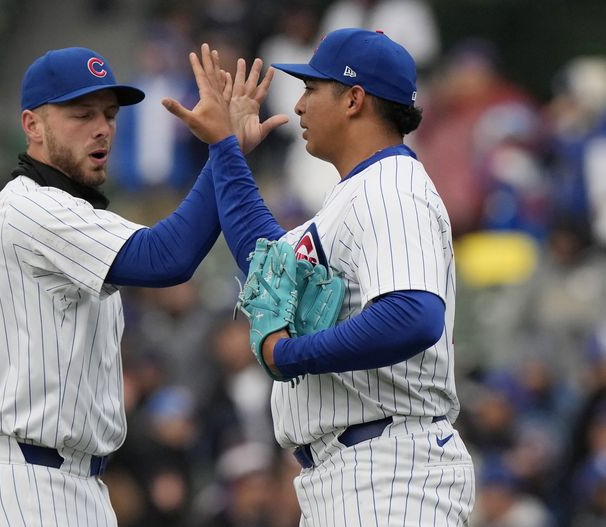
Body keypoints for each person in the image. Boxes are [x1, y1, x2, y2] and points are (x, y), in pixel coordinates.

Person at [162, 30, 476, 525]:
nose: (300, 105)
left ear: (354, 99)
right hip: (355, 470)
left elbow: (413, 315)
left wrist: (289, 354)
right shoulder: (355, 195)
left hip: (390, 470)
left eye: (312, 89)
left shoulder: (392, 191)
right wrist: (225, 147)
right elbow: (267, 259)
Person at [0, 46, 242, 526]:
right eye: (81, 114)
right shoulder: (31, 208)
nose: (102, 126)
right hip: (22, 485)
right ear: (32, 125)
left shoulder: (69, 211)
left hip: (72, 485)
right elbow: (166, 258)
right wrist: (223, 151)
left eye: (109, 113)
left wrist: (227, 155)